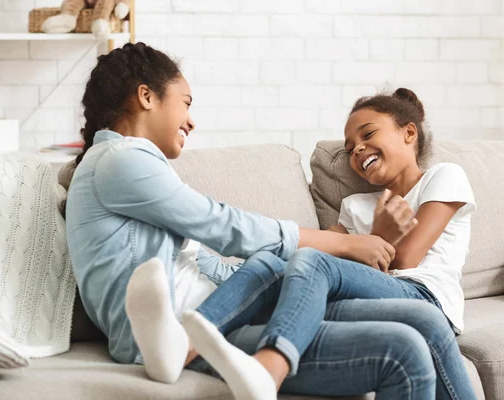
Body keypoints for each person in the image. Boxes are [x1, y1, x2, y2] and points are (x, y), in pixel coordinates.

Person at [64, 42, 473, 400]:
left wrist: (258, 270)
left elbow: (208, 258)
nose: (191, 120)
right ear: (146, 96)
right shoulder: (121, 160)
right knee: (399, 344)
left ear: (410, 133)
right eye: (186, 103)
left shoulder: (124, 166)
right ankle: (202, 350)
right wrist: (349, 245)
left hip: (214, 313)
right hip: (182, 327)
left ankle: (219, 351)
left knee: (420, 321)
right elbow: (224, 226)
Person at [156, 89, 478, 400]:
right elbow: (311, 271)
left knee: (311, 260)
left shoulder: (442, 177)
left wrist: (377, 238)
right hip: (372, 305)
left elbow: (407, 259)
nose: (359, 150)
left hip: (424, 296)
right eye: (351, 148)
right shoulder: (355, 206)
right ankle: (183, 344)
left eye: (368, 135)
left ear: (409, 132)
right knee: (285, 267)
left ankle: (270, 367)